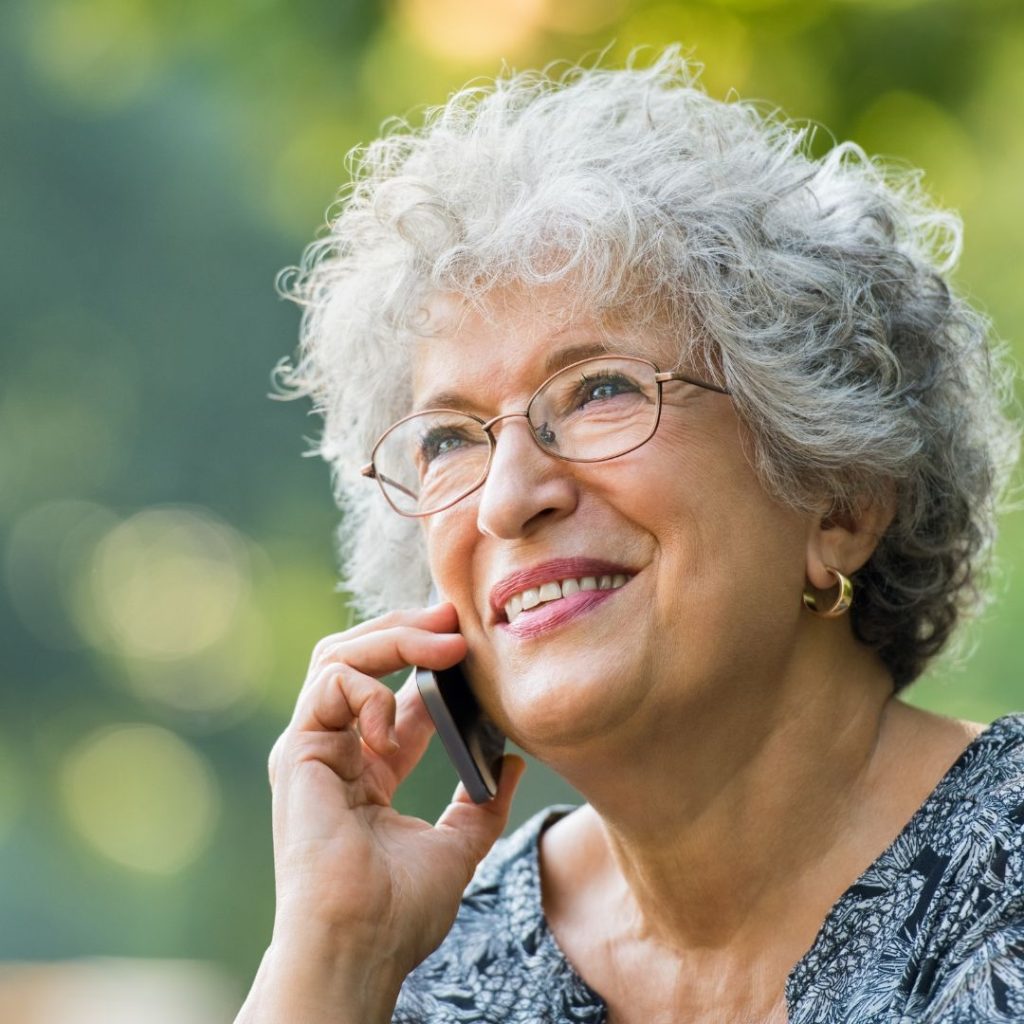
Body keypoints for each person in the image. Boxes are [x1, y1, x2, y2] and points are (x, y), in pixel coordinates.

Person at [237, 49, 1023, 1023]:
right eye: (448, 438)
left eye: (601, 388)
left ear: (839, 499)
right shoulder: (426, 967)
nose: (507, 499)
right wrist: (330, 957)